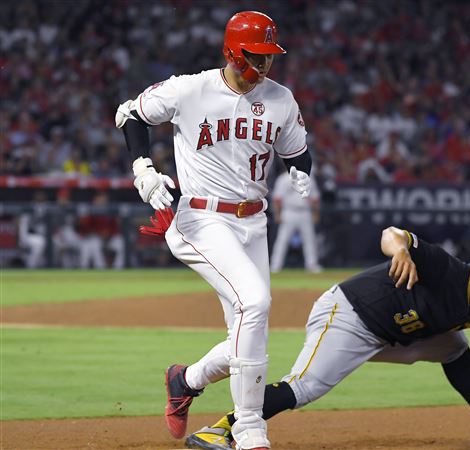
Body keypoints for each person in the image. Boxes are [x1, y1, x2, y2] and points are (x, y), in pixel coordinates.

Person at [186, 227, 470, 450]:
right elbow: (392, 232)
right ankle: (222, 429)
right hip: (350, 315)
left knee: (456, 348)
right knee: (305, 387)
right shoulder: (444, 267)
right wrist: (400, 250)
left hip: (399, 335)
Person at [115, 11, 312, 450]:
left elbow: (297, 151)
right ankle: (248, 427)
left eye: (268, 57)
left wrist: (302, 172)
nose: (262, 67)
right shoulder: (192, 88)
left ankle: (185, 380)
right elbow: (130, 115)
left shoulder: (281, 99)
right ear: (231, 51)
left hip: (254, 223)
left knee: (249, 331)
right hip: (200, 219)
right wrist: (143, 168)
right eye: (254, 56)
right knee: (255, 303)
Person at [269, 168, 321, 273]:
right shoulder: (283, 178)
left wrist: (315, 213)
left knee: (309, 239)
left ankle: (312, 265)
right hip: (288, 211)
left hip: (305, 211)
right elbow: (277, 198)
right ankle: (275, 266)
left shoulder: (308, 178)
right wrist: (278, 214)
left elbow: (315, 198)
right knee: (282, 240)